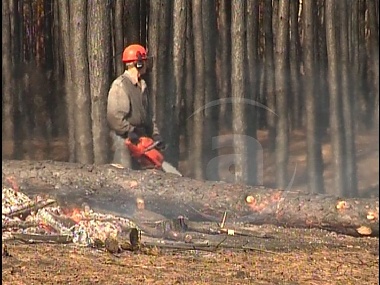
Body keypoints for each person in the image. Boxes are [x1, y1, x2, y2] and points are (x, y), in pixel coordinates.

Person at [107, 44, 165, 168]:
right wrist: (130, 131)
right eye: (144, 61)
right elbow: (114, 117)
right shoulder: (120, 85)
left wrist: (155, 134)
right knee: (125, 175)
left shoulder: (142, 85)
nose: (146, 64)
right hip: (123, 139)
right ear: (138, 63)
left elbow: (149, 116)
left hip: (139, 137)